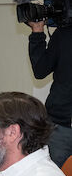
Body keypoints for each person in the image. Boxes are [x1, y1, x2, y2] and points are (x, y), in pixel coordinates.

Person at [28, 20, 72, 167]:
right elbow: (40, 70)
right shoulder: (64, 33)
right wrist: (37, 32)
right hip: (60, 126)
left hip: (60, 125)